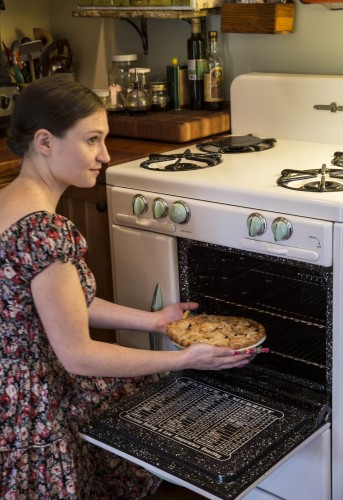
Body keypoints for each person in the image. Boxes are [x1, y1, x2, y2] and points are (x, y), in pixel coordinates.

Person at [0, 76, 253, 499]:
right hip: (33, 401)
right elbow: (79, 354)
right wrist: (185, 360)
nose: (105, 155)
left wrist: (156, 321)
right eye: (92, 140)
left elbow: (65, 304)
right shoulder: (45, 231)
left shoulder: (9, 202)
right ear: (45, 141)